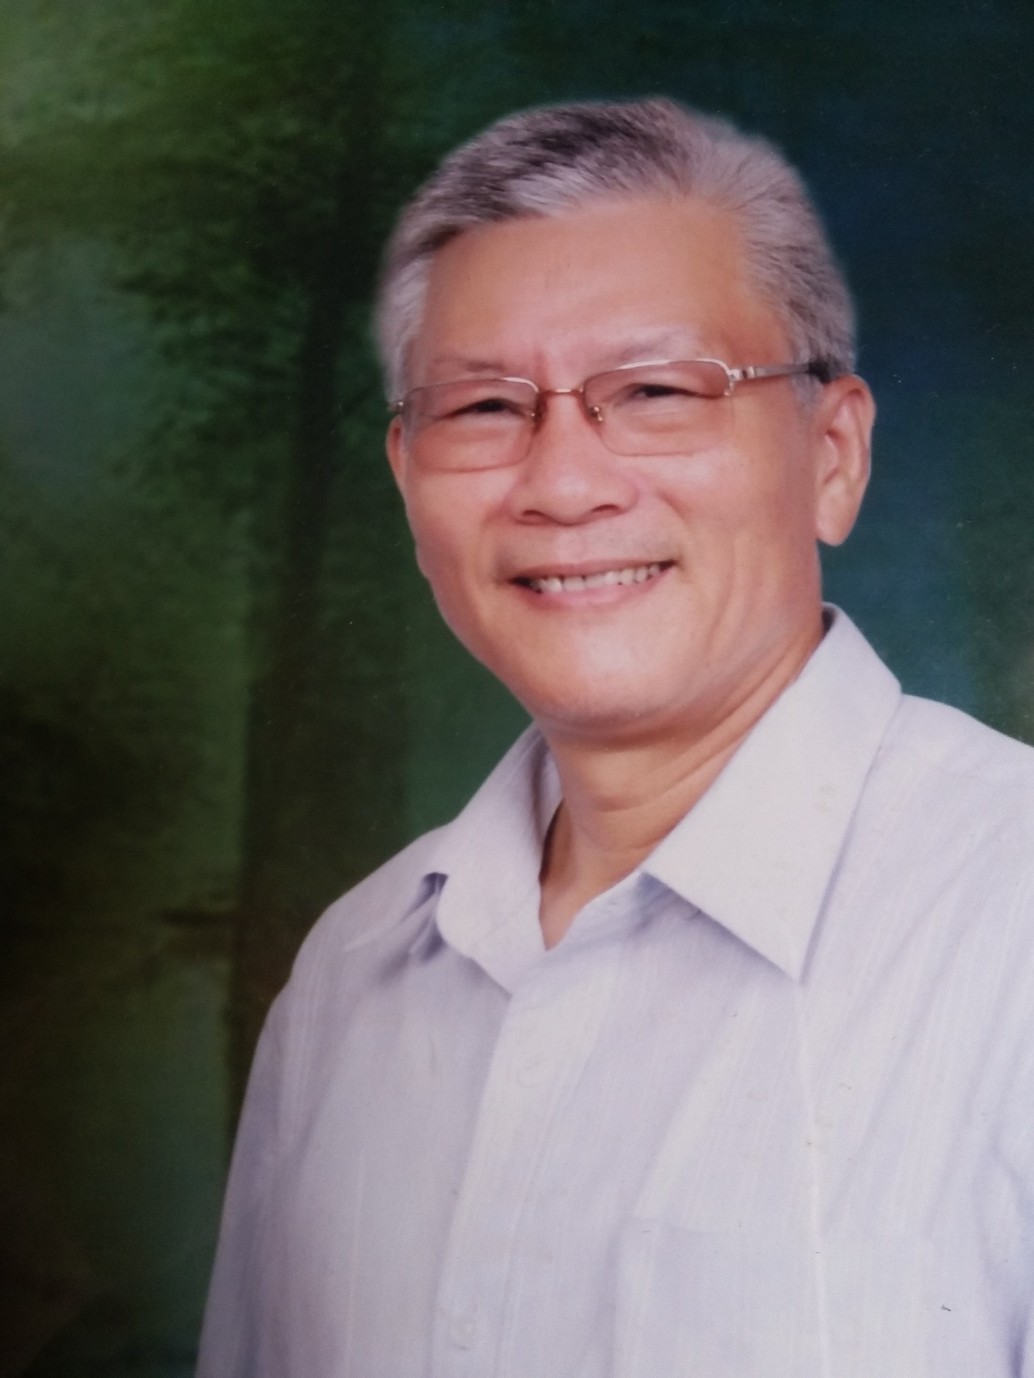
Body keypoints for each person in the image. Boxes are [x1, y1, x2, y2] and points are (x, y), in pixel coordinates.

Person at [197, 98, 1034, 1376]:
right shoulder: (347, 982)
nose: (563, 483)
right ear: (407, 482)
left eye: (653, 391)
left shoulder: (1004, 920)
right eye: (483, 408)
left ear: (831, 454)